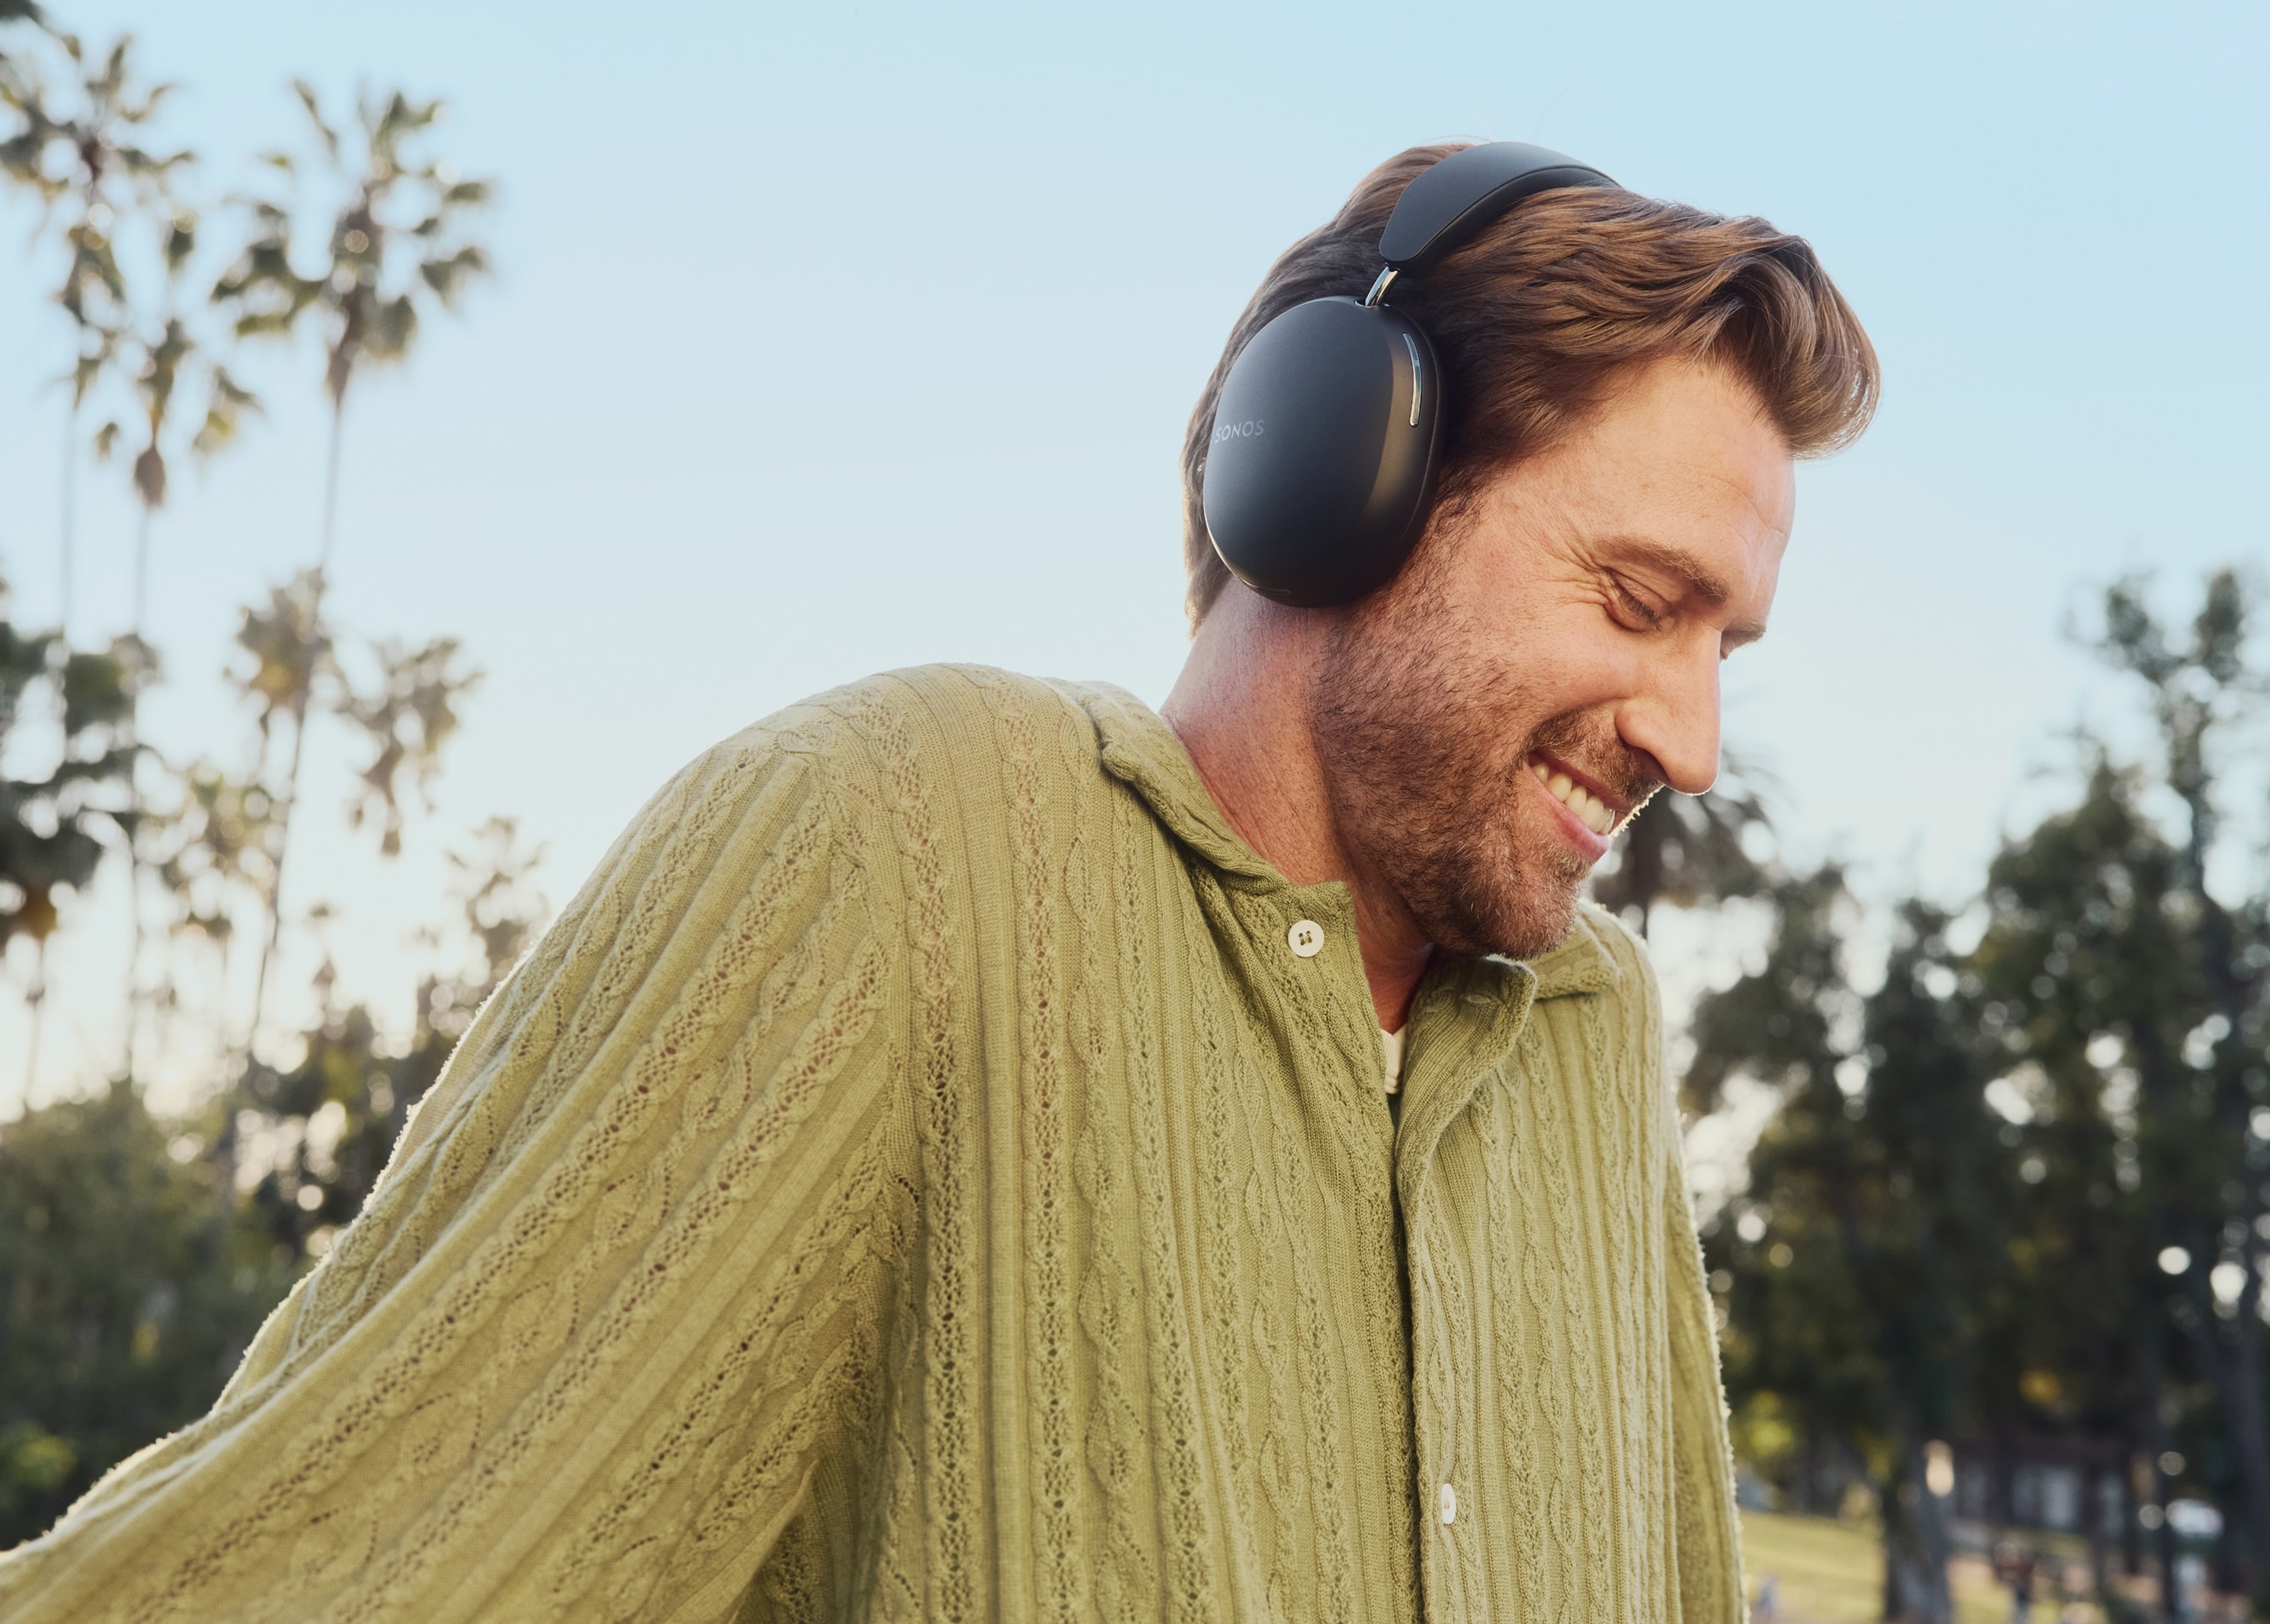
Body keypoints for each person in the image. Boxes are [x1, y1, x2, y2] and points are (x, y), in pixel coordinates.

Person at [0, 140, 1875, 1621]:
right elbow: (349, 1558)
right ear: (1342, 472)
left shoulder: (1594, 1028)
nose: (1692, 741)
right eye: (1641, 604)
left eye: (1733, 650)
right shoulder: (894, 846)